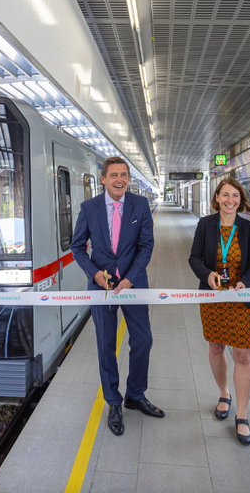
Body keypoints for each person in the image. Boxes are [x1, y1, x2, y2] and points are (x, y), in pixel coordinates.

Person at [70, 156, 162, 436]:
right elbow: (76, 247)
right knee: (106, 345)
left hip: (133, 285)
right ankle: (113, 402)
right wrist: (94, 274)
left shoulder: (140, 205)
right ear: (103, 179)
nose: (120, 180)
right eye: (114, 175)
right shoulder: (89, 208)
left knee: (143, 340)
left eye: (124, 175)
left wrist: (131, 278)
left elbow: (146, 245)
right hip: (102, 288)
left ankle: (135, 394)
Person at [188, 177, 250, 445]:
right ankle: (224, 393)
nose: (230, 200)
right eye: (225, 195)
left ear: (240, 201)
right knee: (216, 347)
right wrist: (207, 276)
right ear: (216, 197)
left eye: (236, 196)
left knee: (243, 354)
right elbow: (194, 258)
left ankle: (241, 414)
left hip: (240, 298)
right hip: (213, 298)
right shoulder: (206, 225)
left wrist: (247, 281)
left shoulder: (249, 229)